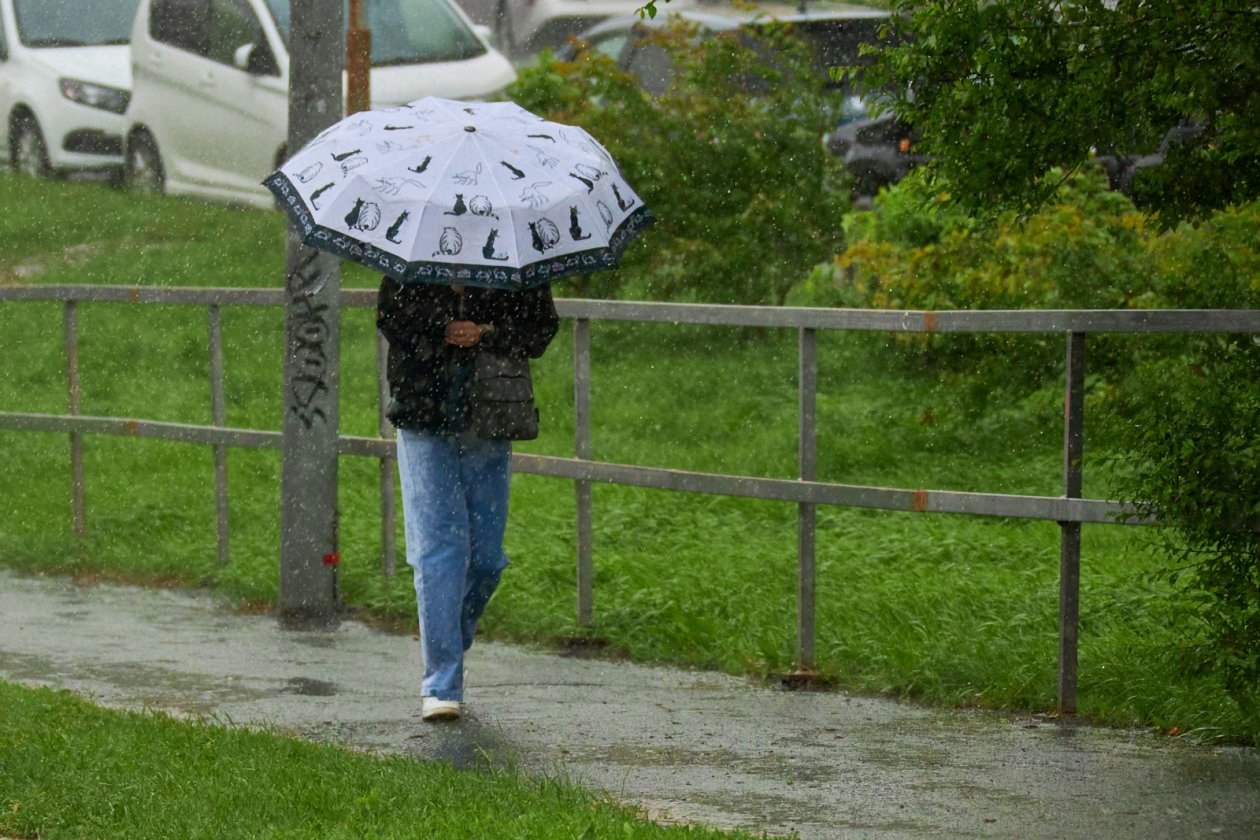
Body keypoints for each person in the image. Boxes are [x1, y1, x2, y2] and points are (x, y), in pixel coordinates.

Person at [376, 276, 559, 721]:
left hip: (490, 415)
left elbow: (539, 329)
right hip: (422, 414)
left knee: (486, 559)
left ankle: (448, 637)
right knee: (441, 549)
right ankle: (442, 684)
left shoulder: (514, 267)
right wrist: (441, 327)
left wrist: (486, 332)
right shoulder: (411, 262)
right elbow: (391, 319)